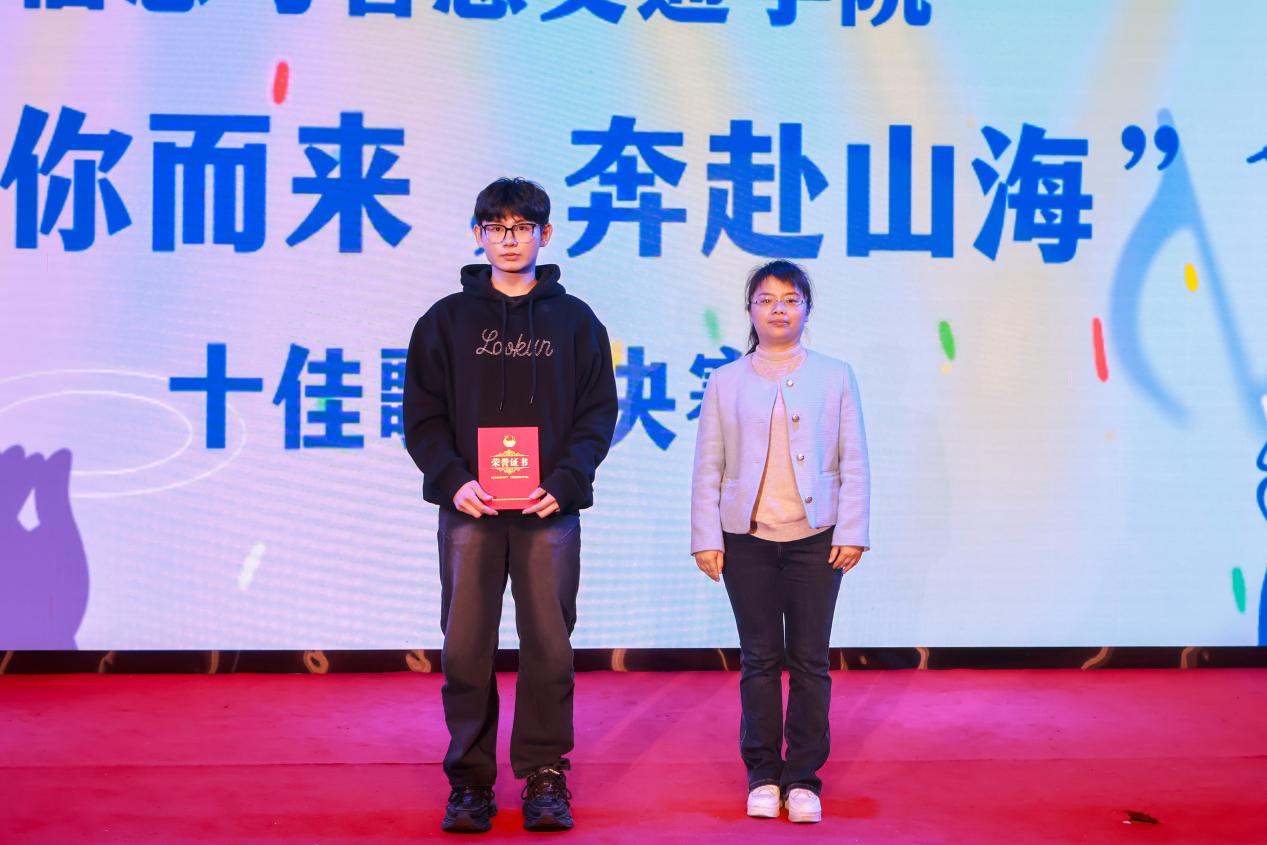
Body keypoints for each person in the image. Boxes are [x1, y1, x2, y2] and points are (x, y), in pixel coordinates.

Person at [404, 177, 618, 834]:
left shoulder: (576, 321)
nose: (509, 239)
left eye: (522, 227)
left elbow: (597, 413)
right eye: (496, 227)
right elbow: (421, 416)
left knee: (549, 646)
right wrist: (451, 479)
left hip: (547, 510)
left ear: (544, 235)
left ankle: (544, 773)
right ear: (478, 234)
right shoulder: (444, 320)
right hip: (469, 510)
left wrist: (566, 480)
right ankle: (469, 781)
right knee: (465, 648)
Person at [690, 259, 871, 824]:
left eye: (791, 299)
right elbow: (709, 465)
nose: (778, 309)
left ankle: (804, 779)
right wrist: (705, 536)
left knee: (811, 661)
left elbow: (854, 460)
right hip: (745, 539)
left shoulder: (835, 375)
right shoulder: (725, 380)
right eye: (766, 299)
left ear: (807, 310)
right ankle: (764, 774)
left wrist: (852, 530)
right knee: (760, 660)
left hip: (817, 538)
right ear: (750, 310)